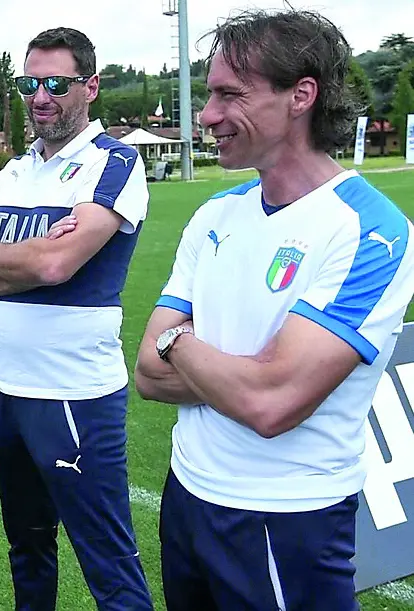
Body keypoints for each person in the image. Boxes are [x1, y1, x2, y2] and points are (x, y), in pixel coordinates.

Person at [134, 9, 414, 611]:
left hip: (286, 518)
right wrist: (245, 370)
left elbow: (270, 404)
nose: (207, 115)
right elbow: (147, 375)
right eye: (209, 94)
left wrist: (179, 342)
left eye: (228, 95)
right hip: (186, 497)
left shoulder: (371, 231)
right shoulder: (216, 214)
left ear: (301, 97)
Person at [0, 27, 153, 611]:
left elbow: (58, 264)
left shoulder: (112, 162)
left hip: (74, 395)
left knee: (108, 563)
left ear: (89, 87)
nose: (40, 96)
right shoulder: (13, 172)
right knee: (28, 547)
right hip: (4, 390)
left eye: (55, 84)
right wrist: (24, 256)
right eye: (29, 83)